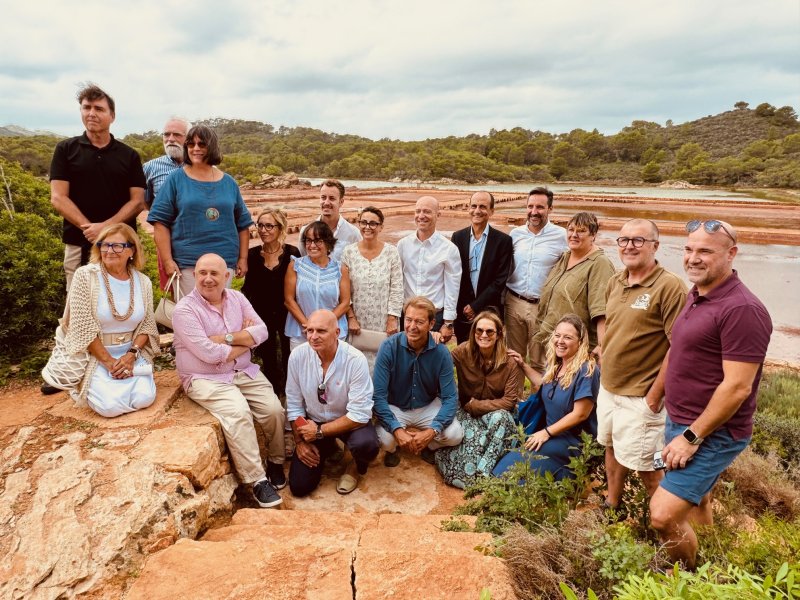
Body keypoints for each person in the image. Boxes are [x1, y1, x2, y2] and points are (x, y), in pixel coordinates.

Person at [649, 220, 772, 569]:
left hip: (712, 431)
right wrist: (657, 392)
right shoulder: (699, 293)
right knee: (700, 499)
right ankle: (710, 558)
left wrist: (690, 437)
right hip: (682, 418)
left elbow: (737, 387)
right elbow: (680, 347)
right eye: (689, 249)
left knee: (663, 515)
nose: (693, 258)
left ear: (731, 254)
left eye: (705, 251)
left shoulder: (742, 310)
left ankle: (686, 575)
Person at [172, 253, 286, 509]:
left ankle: (277, 461)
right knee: (238, 412)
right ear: (194, 275)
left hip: (243, 370)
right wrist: (244, 340)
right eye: (202, 273)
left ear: (227, 276)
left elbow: (263, 331)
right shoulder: (184, 310)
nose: (208, 279)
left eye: (214, 273)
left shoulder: (237, 298)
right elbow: (209, 354)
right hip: (205, 377)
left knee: (274, 410)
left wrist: (224, 338)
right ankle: (257, 480)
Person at [598, 219, 687, 517]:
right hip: (609, 388)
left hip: (641, 397)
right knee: (612, 447)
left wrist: (654, 396)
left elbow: (679, 347)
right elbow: (610, 324)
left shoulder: (669, 286)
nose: (629, 246)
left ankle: (665, 526)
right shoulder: (617, 280)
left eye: (639, 241)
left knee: (649, 467)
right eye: (624, 240)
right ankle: (612, 505)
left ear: (655, 246)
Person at [54, 223, 159, 417]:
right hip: (97, 355)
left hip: (130, 355)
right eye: (105, 244)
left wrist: (131, 355)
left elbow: (147, 324)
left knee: (145, 398)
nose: (110, 250)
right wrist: (109, 362)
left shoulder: (143, 281)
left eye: (117, 246)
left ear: (132, 250)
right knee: (109, 407)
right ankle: (88, 383)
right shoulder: (85, 276)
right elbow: (82, 326)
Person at [49, 83, 146, 292]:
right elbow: (58, 197)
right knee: (78, 299)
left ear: (112, 116)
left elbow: (138, 201)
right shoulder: (65, 149)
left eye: (99, 108)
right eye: (86, 107)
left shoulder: (129, 155)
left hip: (121, 243)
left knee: (120, 295)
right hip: (77, 240)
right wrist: (90, 229)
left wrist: (105, 229)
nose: (91, 113)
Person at [147, 124, 253, 297]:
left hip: (224, 263)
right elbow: (160, 222)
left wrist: (242, 258)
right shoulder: (175, 179)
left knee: (220, 314)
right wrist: (167, 261)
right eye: (191, 144)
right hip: (188, 263)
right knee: (191, 317)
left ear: (211, 147)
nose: (195, 149)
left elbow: (243, 224)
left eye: (201, 144)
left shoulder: (229, 182)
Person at [493, 314, 600, 480]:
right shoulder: (557, 364)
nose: (560, 341)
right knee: (506, 466)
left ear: (580, 342)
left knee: (516, 469)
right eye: (557, 335)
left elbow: (581, 413)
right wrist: (522, 364)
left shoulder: (587, 370)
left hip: (574, 441)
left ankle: (572, 477)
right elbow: (544, 384)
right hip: (552, 434)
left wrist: (546, 433)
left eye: (568, 337)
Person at [286, 310, 380, 496]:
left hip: (349, 422)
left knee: (366, 445)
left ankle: (354, 465)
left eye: (321, 331)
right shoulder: (298, 356)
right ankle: (329, 448)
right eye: (309, 330)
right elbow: (294, 403)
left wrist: (319, 432)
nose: (313, 337)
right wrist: (300, 442)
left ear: (337, 333)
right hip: (314, 422)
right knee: (299, 487)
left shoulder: (355, 359)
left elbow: (360, 414)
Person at [372, 296, 463, 467]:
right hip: (396, 405)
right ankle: (395, 448)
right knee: (385, 440)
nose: (412, 326)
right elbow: (378, 397)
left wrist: (432, 431)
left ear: (431, 324)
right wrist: (397, 429)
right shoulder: (388, 347)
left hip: (427, 405)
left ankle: (429, 445)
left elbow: (450, 398)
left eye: (419, 322)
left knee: (455, 434)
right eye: (408, 320)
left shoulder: (441, 353)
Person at [434, 311, 522, 489]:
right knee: (465, 464)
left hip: (495, 417)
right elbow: (437, 365)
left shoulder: (510, 362)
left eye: (489, 331)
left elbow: (509, 401)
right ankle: (473, 472)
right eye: (479, 330)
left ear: (499, 334)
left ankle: (483, 475)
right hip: (467, 413)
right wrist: (435, 342)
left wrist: (476, 406)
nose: (483, 335)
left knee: (502, 418)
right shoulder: (463, 352)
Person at [534, 212, 615, 362]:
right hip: (555, 344)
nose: (574, 235)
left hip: (578, 349)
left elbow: (601, 311)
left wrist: (602, 346)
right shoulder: (565, 257)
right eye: (571, 230)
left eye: (581, 231)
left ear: (593, 235)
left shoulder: (599, 263)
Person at [504, 187, 567, 374]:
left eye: (540, 207)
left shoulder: (561, 236)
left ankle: (537, 399)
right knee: (514, 356)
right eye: (530, 206)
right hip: (513, 302)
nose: (534, 212)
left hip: (542, 306)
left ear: (550, 209)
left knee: (540, 360)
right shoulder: (515, 234)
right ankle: (514, 400)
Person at [241, 207, 301, 398]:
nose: (263, 230)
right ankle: (273, 395)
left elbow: (299, 287)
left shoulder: (293, 253)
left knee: (288, 355)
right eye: (260, 225)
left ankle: (291, 395)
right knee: (266, 356)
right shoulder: (251, 255)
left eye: (269, 226)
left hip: (286, 313)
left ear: (280, 228)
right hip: (261, 314)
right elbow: (247, 289)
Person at [341, 206, 403, 370]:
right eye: (363, 222)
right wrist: (351, 317)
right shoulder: (349, 252)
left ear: (381, 227)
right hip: (357, 322)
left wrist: (392, 319)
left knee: (385, 363)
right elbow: (344, 288)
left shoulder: (391, 252)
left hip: (383, 322)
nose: (367, 227)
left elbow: (396, 287)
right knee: (356, 364)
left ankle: (382, 395)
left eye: (373, 223)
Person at [396, 196, 462, 343]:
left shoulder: (449, 249)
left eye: (427, 211)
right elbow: (396, 282)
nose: (421, 216)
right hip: (407, 316)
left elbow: (453, 287)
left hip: (434, 317)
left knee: (430, 362)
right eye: (417, 211)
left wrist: (448, 323)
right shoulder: (402, 245)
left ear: (438, 215)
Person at [450, 192, 513, 344]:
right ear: (468, 209)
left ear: (491, 211)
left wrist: (475, 306)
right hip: (462, 311)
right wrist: (465, 307)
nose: (477, 210)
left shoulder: (503, 241)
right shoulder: (458, 237)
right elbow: (454, 275)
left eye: (483, 207)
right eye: (474, 206)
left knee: (488, 355)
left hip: (489, 310)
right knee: (464, 354)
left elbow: (500, 280)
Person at [284, 221, 351, 350]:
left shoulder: (340, 269)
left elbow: (345, 303)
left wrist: (324, 325)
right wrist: (308, 326)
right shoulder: (295, 266)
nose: (312, 245)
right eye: (308, 240)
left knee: (332, 369)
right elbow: (289, 300)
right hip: (301, 332)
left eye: (318, 240)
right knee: (302, 369)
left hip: (331, 332)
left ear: (328, 242)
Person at [143, 117, 191, 290]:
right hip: (166, 241)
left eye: (177, 134)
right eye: (166, 134)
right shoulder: (150, 168)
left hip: (197, 239)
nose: (170, 139)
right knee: (172, 289)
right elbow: (147, 202)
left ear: (189, 138)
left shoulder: (203, 167)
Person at [298, 179, 361, 263]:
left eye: (332, 198)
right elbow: (302, 262)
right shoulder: (305, 231)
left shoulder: (353, 234)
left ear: (341, 202)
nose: (326, 202)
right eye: (323, 197)